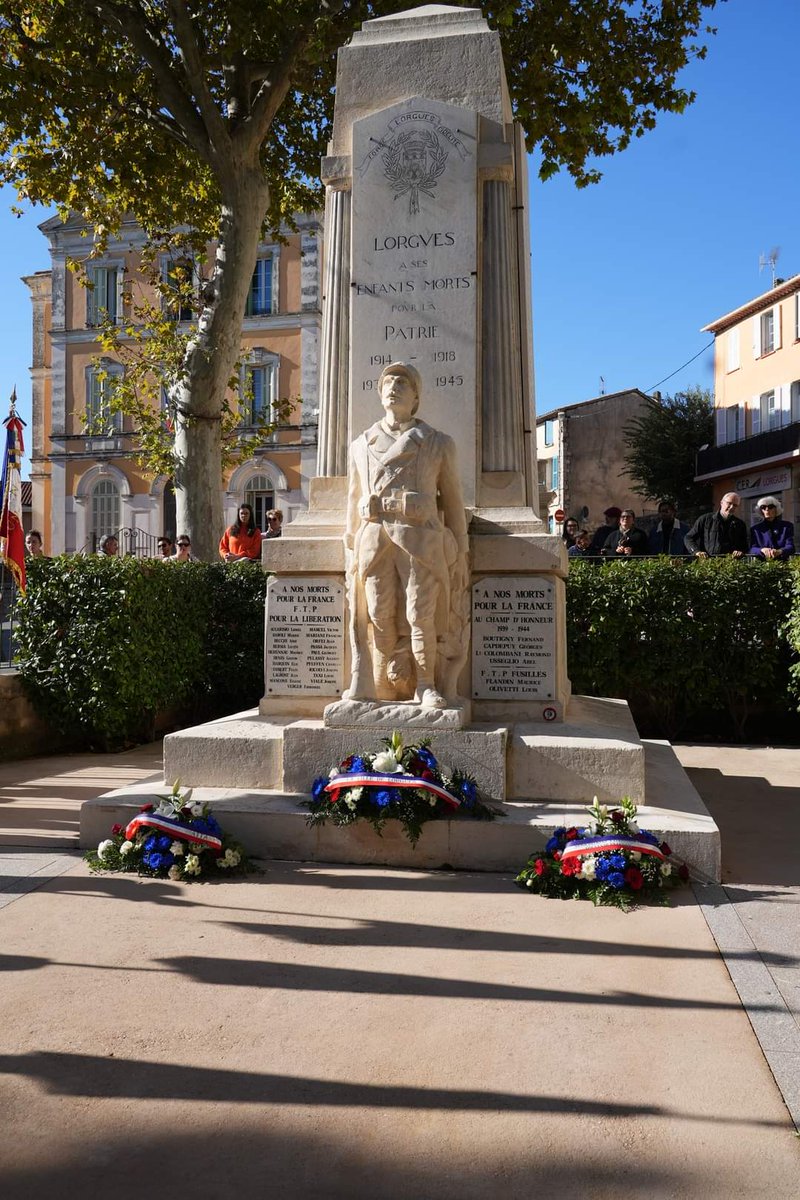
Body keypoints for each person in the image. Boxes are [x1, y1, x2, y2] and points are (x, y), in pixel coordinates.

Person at [344, 361, 468, 708]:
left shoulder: (436, 443)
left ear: (416, 397)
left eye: (402, 383)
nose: (393, 387)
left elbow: (454, 501)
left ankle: (426, 685)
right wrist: (351, 540)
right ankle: (382, 681)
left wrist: (460, 545)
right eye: (388, 382)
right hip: (374, 539)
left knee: (420, 614)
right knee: (378, 612)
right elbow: (353, 497)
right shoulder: (360, 445)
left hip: (419, 539)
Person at [684, 492, 748, 558]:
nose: (731, 507)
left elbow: (744, 547)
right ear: (721, 503)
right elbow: (689, 538)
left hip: (730, 565)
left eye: (735, 505)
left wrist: (740, 552)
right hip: (708, 564)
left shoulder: (740, 524)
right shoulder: (705, 519)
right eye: (729, 503)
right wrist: (696, 551)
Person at [749, 496, 795, 560]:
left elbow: (791, 547)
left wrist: (779, 551)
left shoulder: (787, 526)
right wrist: (762, 550)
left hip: (782, 565)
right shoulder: (755, 529)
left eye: (770, 507)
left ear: (776, 509)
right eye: (763, 507)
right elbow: (752, 549)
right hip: (761, 566)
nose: (767, 509)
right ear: (761, 511)